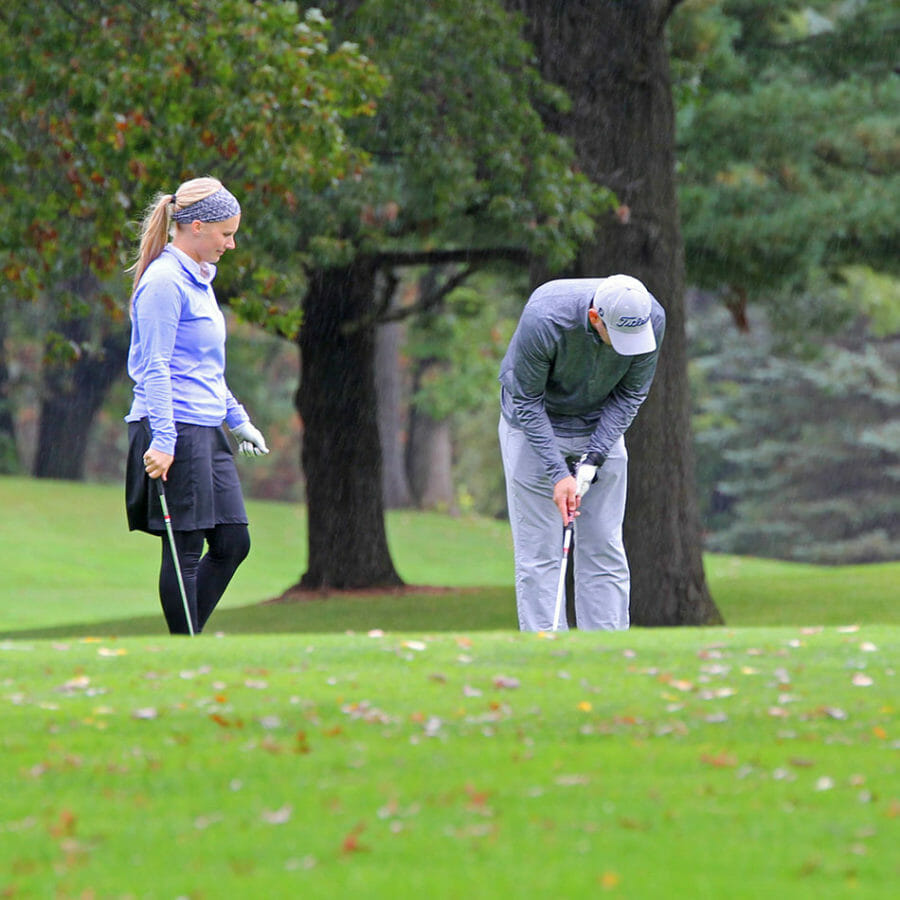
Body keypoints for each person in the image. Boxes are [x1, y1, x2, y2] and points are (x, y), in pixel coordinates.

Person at [124, 176, 269, 635]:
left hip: (207, 427)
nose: (232, 243)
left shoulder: (200, 281)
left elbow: (204, 368)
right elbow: (156, 367)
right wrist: (164, 440)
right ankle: (184, 648)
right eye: (226, 233)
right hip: (174, 429)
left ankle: (186, 643)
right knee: (184, 548)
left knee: (232, 540)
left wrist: (238, 420)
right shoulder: (164, 282)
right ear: (198, 227)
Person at [498, 275, 665, 631]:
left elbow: (630, 395)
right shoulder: (545, 317)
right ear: (594, 318)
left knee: (604, 543)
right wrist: (558, 474)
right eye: (617, 337)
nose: (627, 348)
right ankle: (547, 648)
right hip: (534, 423)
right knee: (539, 550)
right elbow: (527, 401)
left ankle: (606, 651)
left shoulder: (652, 319)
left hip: (601, 423)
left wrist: (594, 457)